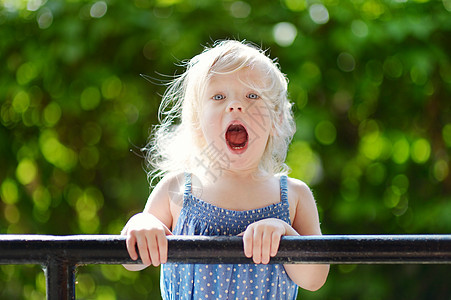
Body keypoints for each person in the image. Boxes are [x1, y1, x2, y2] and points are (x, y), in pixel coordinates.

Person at [122, 40, 329, 299]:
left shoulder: (293, 196)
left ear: (275, 119)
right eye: (218, 97)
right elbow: (132, 261)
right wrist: (141, 224)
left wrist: (285, 234)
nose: (235, 106)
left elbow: (315, 278)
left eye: (252, 95)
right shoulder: (178, 189)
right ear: (197, 121)